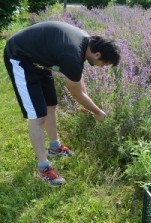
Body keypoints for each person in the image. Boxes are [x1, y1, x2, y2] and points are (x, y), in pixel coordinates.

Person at [3, 21, 121, 186]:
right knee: (37, 117)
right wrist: (98, 112)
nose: (102, 68)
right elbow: (77, 93)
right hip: (20, 57)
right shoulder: (72, 54)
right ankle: (43, 169)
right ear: (97, 54)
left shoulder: (84, 42)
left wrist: (88, 103)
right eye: (105, 64)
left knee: (51, 106)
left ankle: (54, 147)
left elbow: (78, 82)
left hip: (39, 60)